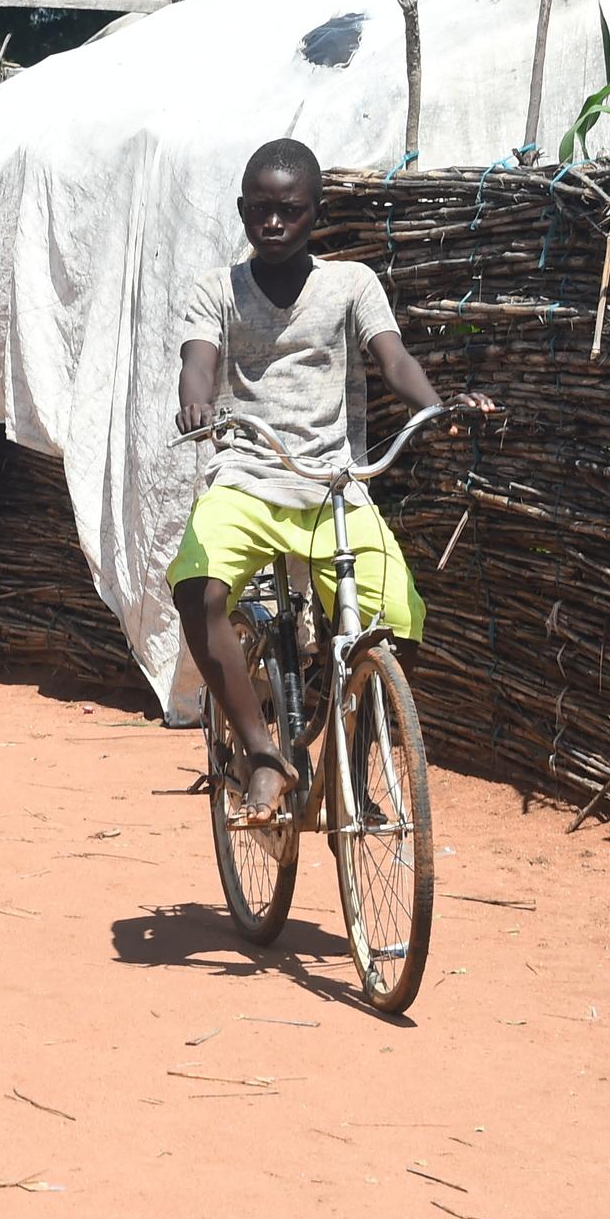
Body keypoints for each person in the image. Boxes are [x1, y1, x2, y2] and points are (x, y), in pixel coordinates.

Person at [170, 137, 497, 828]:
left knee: (397, 619)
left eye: (289, 210)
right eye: (260, 209)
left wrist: (436, 409)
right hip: (247, 474)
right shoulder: (216, 289)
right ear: (242, 209)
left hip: (333, 486)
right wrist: (195, 403)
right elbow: (198, 362)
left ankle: (351, 763)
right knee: (198, 590)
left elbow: (394, 359)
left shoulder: (351, 284)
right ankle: (264, 755)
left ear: (314, 212)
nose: (273, 223)